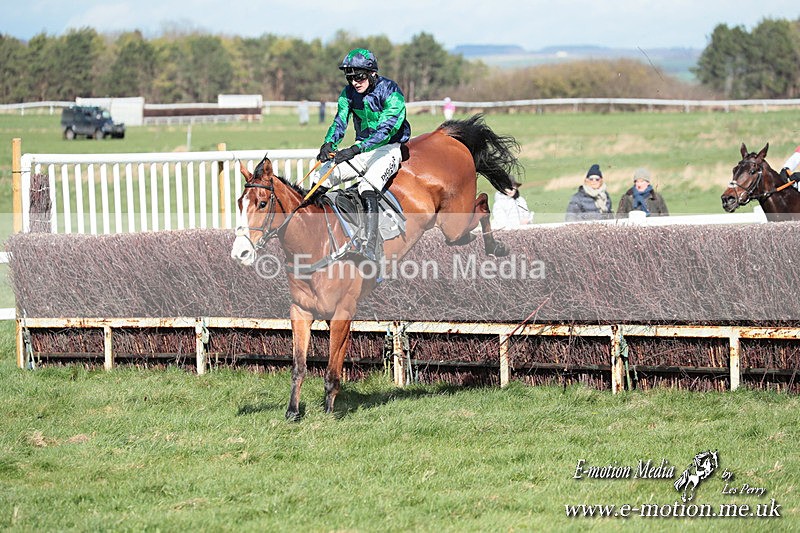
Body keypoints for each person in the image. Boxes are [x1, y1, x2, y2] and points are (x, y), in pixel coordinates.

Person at [310, 48, 412, 261]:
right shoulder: (348, 93)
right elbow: (340, 121)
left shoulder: (391, 91)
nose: (354, 82)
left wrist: (355, 149)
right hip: (361, 147)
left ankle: (371, 247)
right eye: (350, 77)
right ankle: (315, 234)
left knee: (367, 185)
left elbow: (386, 131)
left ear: (372, 73)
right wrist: (328, 144)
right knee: (320, 178)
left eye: (359, 76)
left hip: (388, 148)